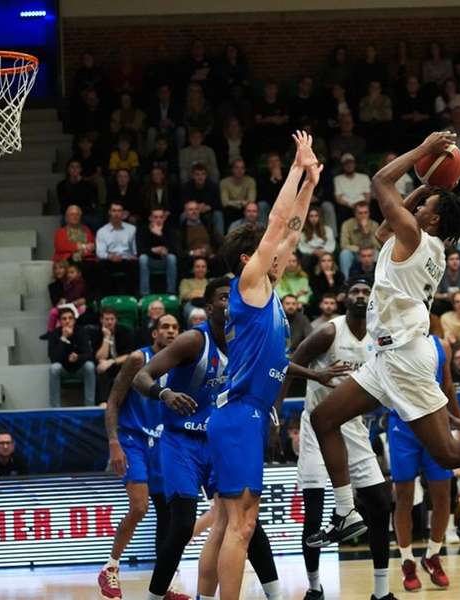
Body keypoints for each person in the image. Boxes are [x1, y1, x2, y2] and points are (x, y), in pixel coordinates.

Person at [305, 133, 460, 553]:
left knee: (449, 455)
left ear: (434, 221)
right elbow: (384, 227)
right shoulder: (420, 242)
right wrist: (430, 185)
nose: (417, 206)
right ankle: (346, 513)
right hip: (386, 358)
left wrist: (423, 150)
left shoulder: (418, 239)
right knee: (324, 418)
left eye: (424, 207)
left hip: (404, 359)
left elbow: (382, 181)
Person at [186, 131, 321, 600]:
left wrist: (311, 182)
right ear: (250, 257)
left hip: (237, 414)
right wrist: (297, 167)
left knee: (225, 523)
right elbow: (280, 221)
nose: (281, 250)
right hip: (241, 413)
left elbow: (294, 227)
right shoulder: (248, 280)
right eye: (269, 248)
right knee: (241, 527)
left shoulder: (266, 288)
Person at [132, 278, 314, 600]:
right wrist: (165, 393)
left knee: (244, 521)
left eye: (233, 297)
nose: (230, 302)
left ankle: (274, 595)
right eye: (222, 297)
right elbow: (140, 377)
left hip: (218, 439)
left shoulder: (245, 341)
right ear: (208, 308)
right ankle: (154, 597)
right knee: (182, 525)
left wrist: (317, 375)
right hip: (181, 441)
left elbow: (281, 365)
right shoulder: (193, 341)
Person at [280, 279, 394, 600]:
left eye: (366, 292)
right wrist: (314, 378)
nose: (361, 296)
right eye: (355, 292)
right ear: (345, 299)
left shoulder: (378, 336)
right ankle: (315, 588)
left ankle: (381, 591)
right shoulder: (330, 332)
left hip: (354, 427)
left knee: (381, 504)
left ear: (372, 300)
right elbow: (288, 365)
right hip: (318, 428)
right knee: (314, 513)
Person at [98, 314, 180, 600]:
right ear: (155, 333)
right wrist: (114, 442)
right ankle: (110, 568)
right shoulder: (137, 359)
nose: (170, 332)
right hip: (133, 439)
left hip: (164, 443)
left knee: (166, 515)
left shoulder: (182, 361)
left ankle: (163, 585)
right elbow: (113, 402)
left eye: (175, 328)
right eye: (165, 327)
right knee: (140, 507)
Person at [390, 335, 460, 592]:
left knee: (443, 496)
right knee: (404, 498)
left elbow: (448, 386)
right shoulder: (391, 341)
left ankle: (433, 554)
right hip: (402, 426)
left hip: (437, 424)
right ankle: (407, 560)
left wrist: (457, 419)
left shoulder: (440, 345)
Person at [48, 306, 95, 407]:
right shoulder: (54, 334)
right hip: (64, 369)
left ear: (74, 320)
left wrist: (78, 357)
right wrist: (64, 338)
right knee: (54, 368)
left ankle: (89, 406)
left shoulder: (82, 332)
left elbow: (89, 354)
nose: (67, 321)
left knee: (90, 366)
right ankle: (55, 408)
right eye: (64, 319)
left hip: (79, 369)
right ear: (60, 322)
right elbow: (53, 358)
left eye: (70, 318)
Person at [89, 307, 135, 405]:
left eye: (112, 319)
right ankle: (103, 402)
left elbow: (130, 354)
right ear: (101, 320)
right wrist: (106, 338)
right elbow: (99, 357)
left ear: (116, 320)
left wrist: (111, 361)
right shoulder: (95, 333)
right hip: (106, 367)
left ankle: (128, 402)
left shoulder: (125, 331)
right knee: (100, 368)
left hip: (122, 364)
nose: (109, 322)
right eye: (107, 319)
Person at [95, 202, 139, 297]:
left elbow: (135, 250)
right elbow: (100, 252)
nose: (116, 214)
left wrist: (134, 256)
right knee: (101, 265)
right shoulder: (102, 231)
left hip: (126, 259)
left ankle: (129, 298)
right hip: (110, 260)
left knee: (135, 265)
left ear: (123, 213)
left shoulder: (132, 229)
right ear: (109, 212)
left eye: (119, 211)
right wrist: (109, 256)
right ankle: (108, 298)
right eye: (114, 211)